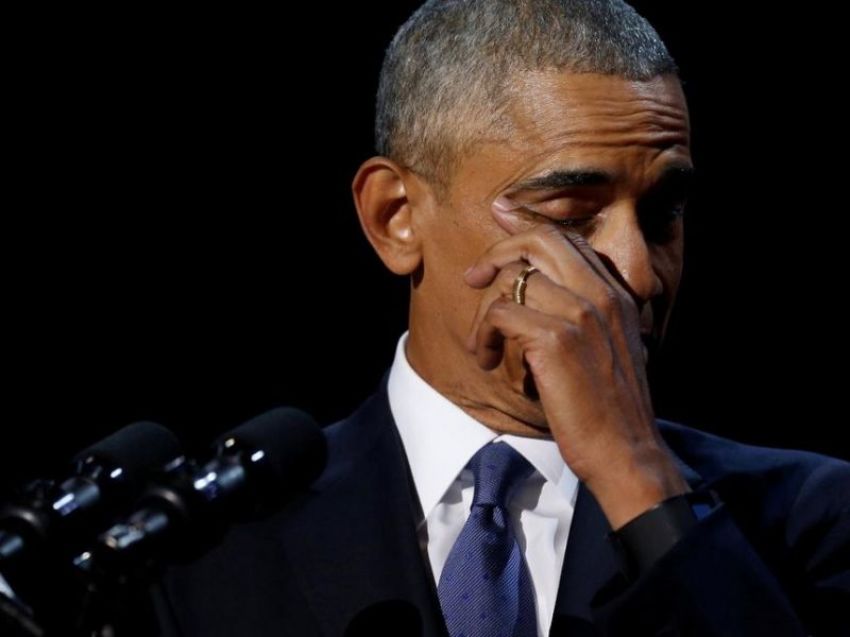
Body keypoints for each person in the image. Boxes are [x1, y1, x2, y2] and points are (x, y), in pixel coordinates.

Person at [154, 1, 850, 635]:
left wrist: (635, 473)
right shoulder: (208, 542)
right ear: (395, 217)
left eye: (663, 212)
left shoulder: (811, 516)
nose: (639, 275)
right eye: (569, 216)